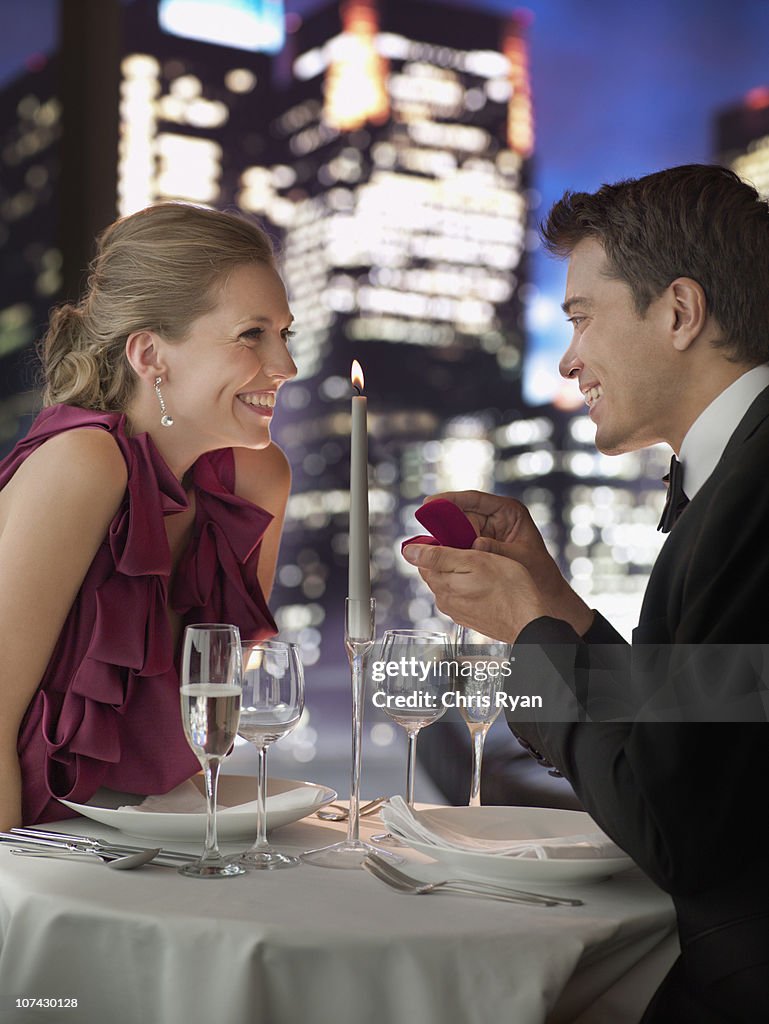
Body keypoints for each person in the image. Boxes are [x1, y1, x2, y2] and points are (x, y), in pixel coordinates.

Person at [402, 165, 769, 1022]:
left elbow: (673, 823)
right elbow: (705, 721)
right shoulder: (739, 471)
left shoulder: (753, 491)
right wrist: (555, 605)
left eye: (579, 318)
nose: (569, 359)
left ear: (678, 312)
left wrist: (527, 631)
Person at [0, 202, 297, 830]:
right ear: (149, 355)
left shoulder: (257, 480)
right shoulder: (84, 463)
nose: (285, 367)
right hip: (29, 856)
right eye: (252, 335)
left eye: (284, 334)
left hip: (140, 841)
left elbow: (203, 734)